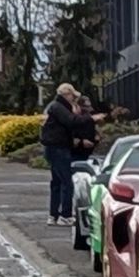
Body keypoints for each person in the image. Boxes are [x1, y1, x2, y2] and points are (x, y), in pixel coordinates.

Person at [38, 82, 79, 225]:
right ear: (66, 94)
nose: (73, 99)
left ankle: (53, 215)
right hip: (59, 148)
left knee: (56, 182)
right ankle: (65, 215)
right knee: (67, 182)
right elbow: (71, 122)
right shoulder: (59, 107)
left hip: (51, 148)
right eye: (72, 96)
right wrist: (89, 119)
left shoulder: (52, 107)